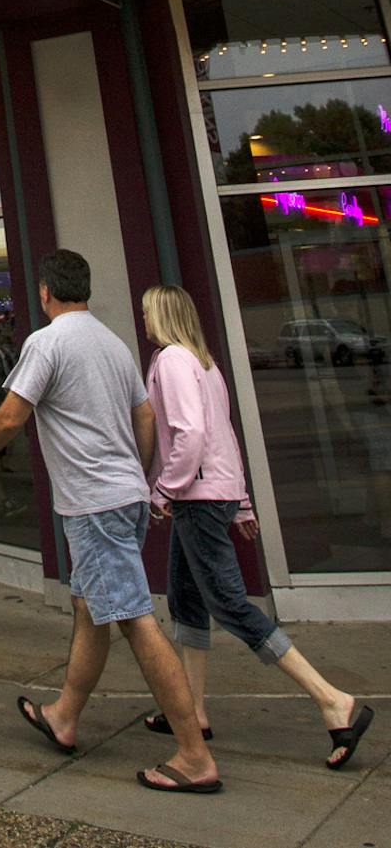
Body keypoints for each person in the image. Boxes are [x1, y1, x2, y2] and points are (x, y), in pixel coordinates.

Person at [0, 250, 221, 797]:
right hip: (120, 495)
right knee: (90, 603)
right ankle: (64, 716)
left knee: (133, 617)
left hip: (93, 504)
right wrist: (138, 476)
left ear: (46, 291)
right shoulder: (114, 344)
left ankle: (194, 755)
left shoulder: (47, 343)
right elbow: (144, 416)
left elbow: (10, 415)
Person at [143, 283, 373, 771]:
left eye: (147, 312)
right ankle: (193, 711)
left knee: (228, 604)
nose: (144, 320)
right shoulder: (204, 363)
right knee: (185, 600)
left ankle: (333, 700)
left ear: (160, 315)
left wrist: (163, 490)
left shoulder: (171, 362)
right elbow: (224, 434)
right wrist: (243, 503)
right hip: (214, 495)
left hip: (197, 499)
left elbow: (193, 435)